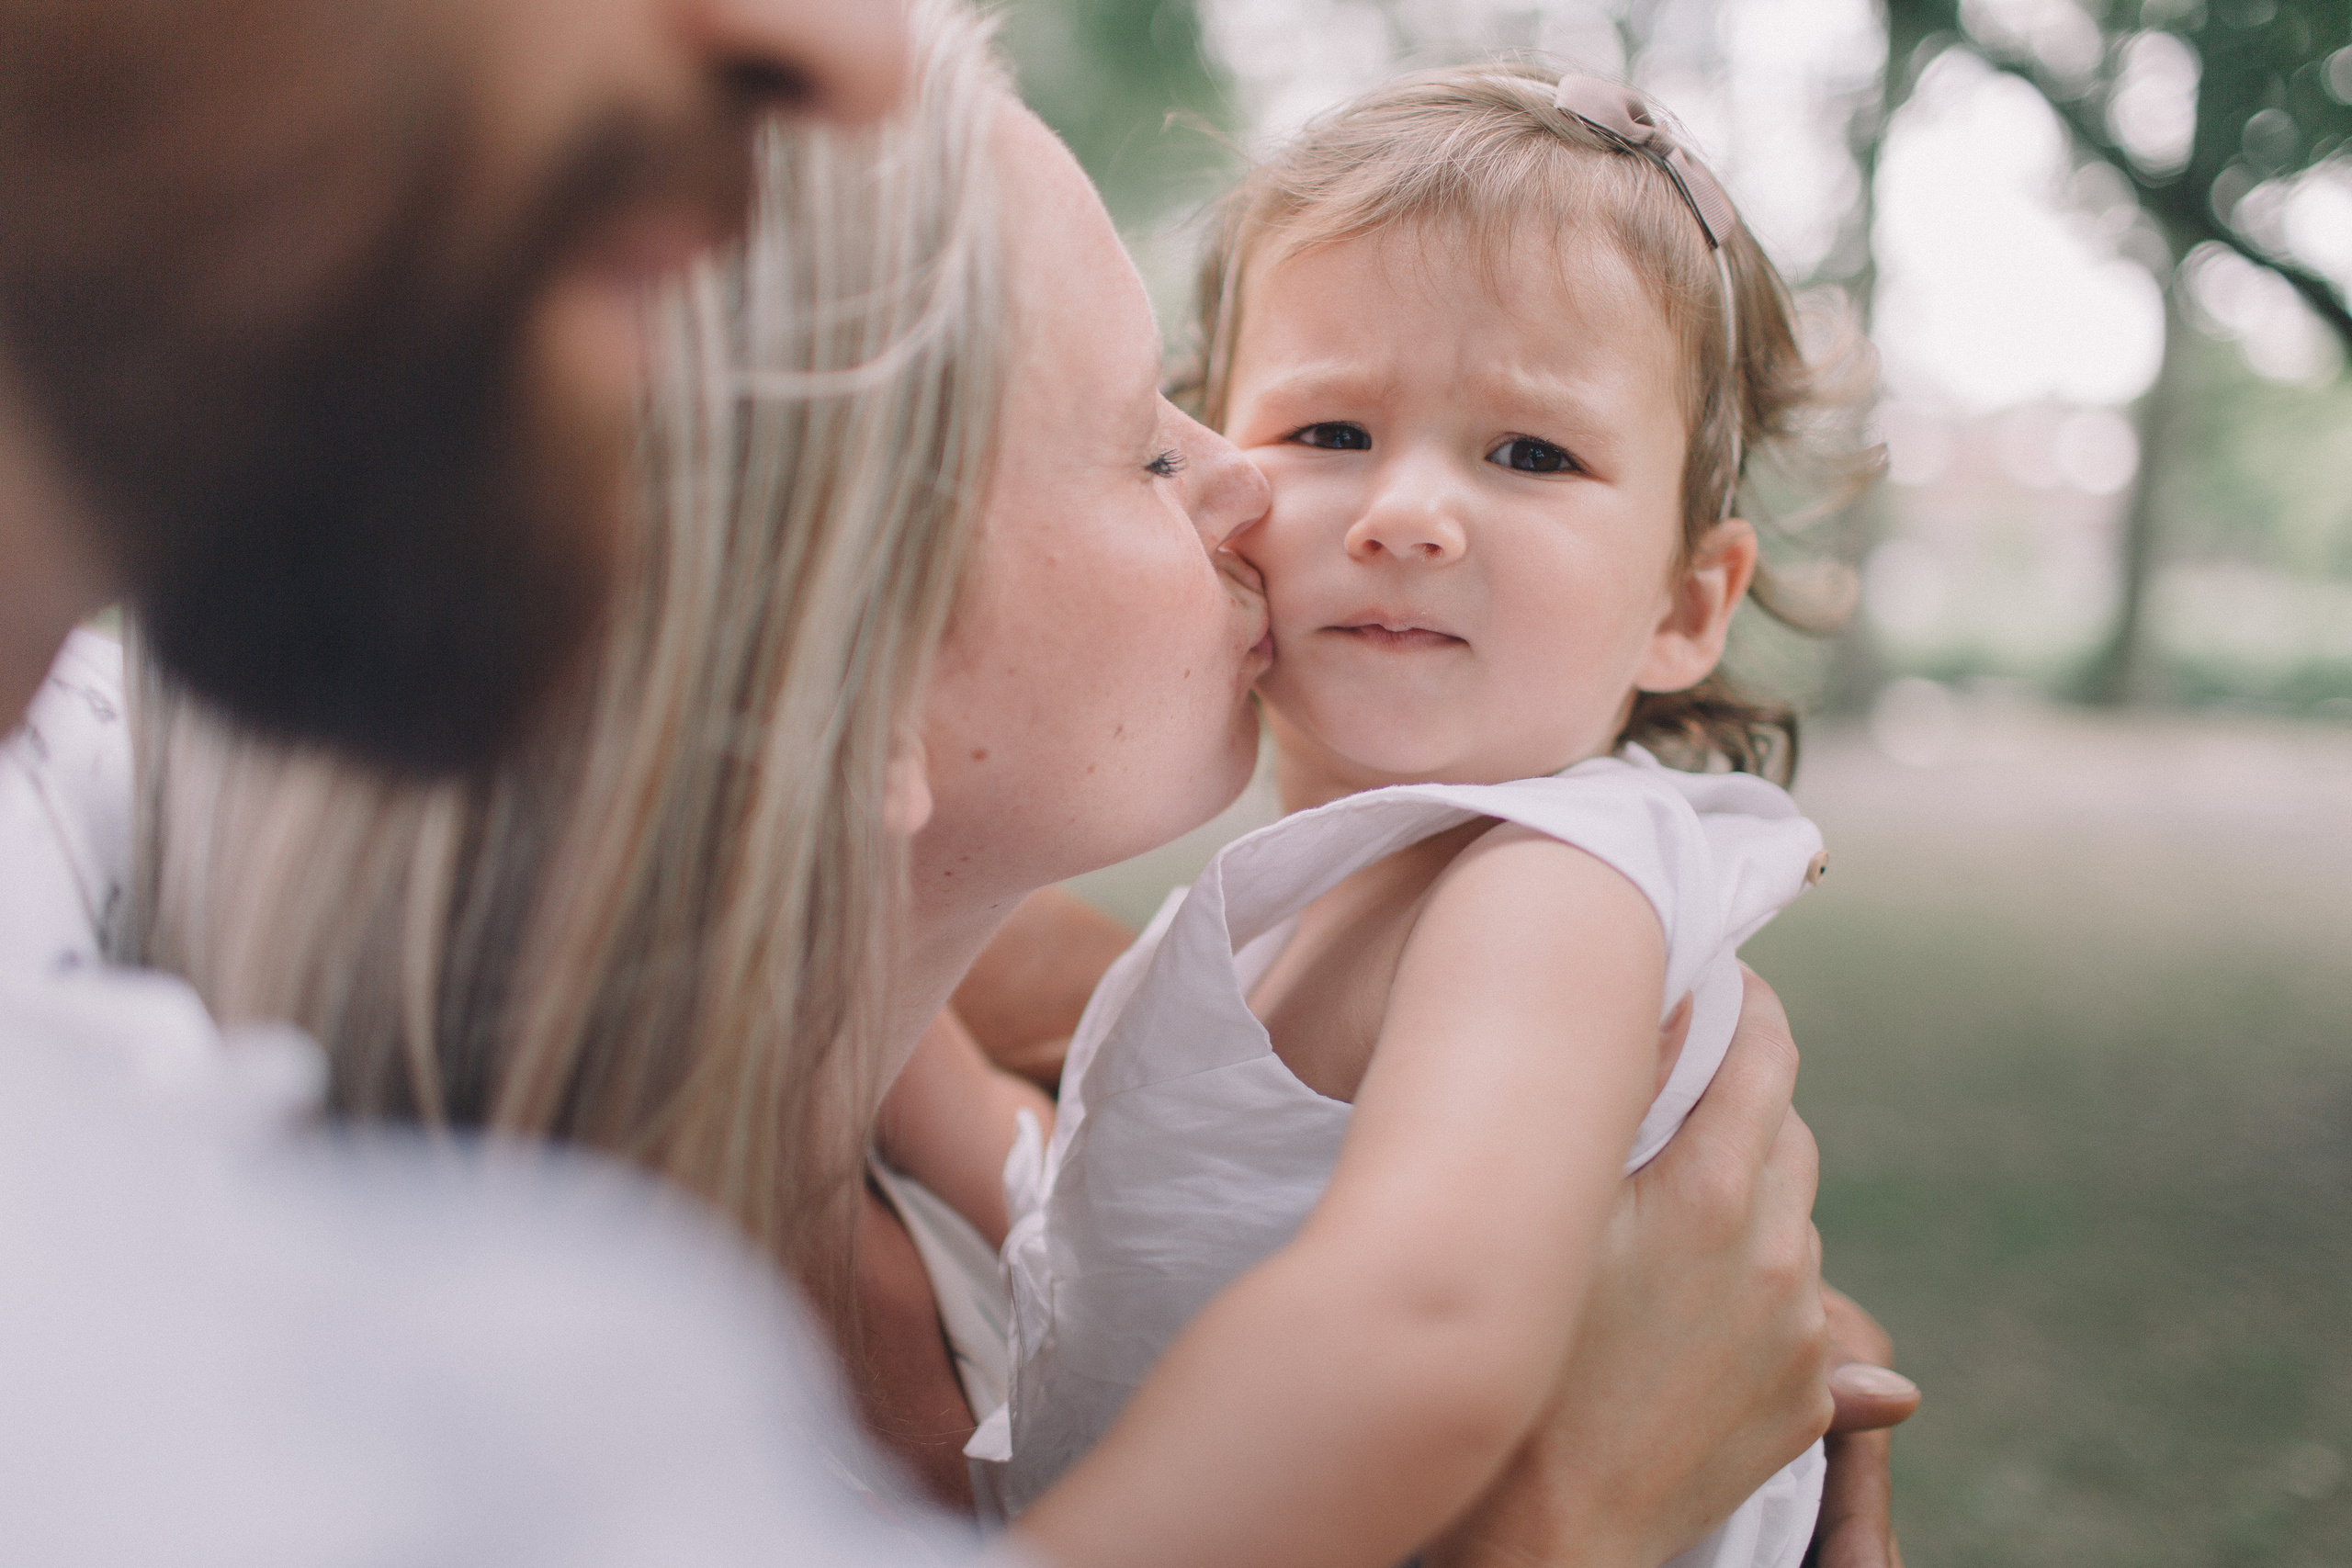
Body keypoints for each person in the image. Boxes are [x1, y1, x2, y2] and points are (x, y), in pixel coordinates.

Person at [2, 1, 1913, 1562]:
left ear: (1690, 594)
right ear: (838, 692)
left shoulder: (1473, 911)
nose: (1275, 499)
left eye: (1528, 455)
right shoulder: (387, 1416)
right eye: (1147, 442)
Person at [884, 65, 1869, 1568]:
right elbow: (1069, 1234)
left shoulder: (1547, 889)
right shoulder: (1309, 899)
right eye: (1330, 431)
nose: (1406, 511)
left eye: (1531, 454)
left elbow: (1426, 1324)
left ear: (1686, 607)